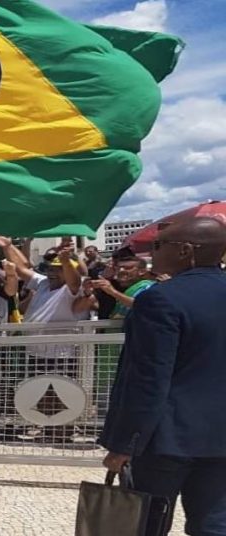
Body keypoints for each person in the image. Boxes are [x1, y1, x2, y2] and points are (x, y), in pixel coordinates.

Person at [100, 217, 226, 535]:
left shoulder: (160, 299)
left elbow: (147, 379)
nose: (150, 254)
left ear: (185, 250)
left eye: (157, 246)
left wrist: (124, 443)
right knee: (214, 524)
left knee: (146, 523)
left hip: (167, 439)